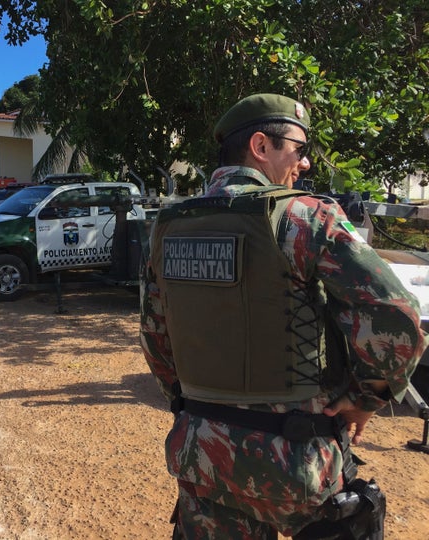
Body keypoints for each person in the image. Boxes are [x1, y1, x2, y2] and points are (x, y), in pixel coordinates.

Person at [139, 93, 427, 539]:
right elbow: (396, 317)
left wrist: (199, 407)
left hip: (202, 458)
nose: (306, 163)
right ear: (260, 146)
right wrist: (364, 399)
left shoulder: (167, 225)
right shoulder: (304, 218)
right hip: (295, 462)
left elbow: (155, 338)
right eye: (299, 148)